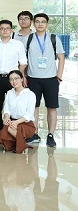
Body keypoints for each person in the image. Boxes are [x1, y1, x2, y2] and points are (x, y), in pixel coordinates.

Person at [25, 13, 65, 148]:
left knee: (52, 108)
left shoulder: (54, 38)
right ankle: (34, 133)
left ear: (47, 24)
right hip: (33, 78)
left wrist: (59, 76)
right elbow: (23, 59)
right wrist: (24, 76)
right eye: (37, 21)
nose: (40, 24)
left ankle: (50, 135)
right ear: (33, 23)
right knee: (34, 107)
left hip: (51, 79)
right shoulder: (29, 38)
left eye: (43, 22)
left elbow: (61, 57)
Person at [0, 19, 27, 138]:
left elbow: (23, 63)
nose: (5, 31)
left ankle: (13, 132)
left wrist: (16, 77)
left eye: (7, 28)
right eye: (2, 28)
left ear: (11, 30)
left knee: (13, 106)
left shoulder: (18, 44)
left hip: (12, 80)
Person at [0, 70, 37, 153]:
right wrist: (6, 118)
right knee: (2, 137)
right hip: (13, 121)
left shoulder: (30, 94)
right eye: (11, 79)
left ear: (22, 79)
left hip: (25, 123)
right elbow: (7, 109)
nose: (14, 81)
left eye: (16, 78)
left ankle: (20, 145)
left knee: (10, 129)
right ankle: (22, 143)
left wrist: (16, 122)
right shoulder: (9, 93)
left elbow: (29, 115)